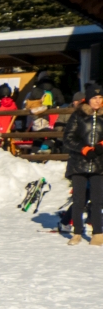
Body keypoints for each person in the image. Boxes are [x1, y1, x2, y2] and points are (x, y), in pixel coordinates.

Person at [62, 82, 103, 246]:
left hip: (99, 163)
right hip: (79, 163)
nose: (98, 101)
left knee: (97, 200)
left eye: (100, 97)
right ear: (88, 99)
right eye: (94, 97)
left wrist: (101, 145)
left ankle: (98, 233)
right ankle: (77, 233)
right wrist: (84, 149)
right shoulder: (78, 115)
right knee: (79, 200)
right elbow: (68, 138)